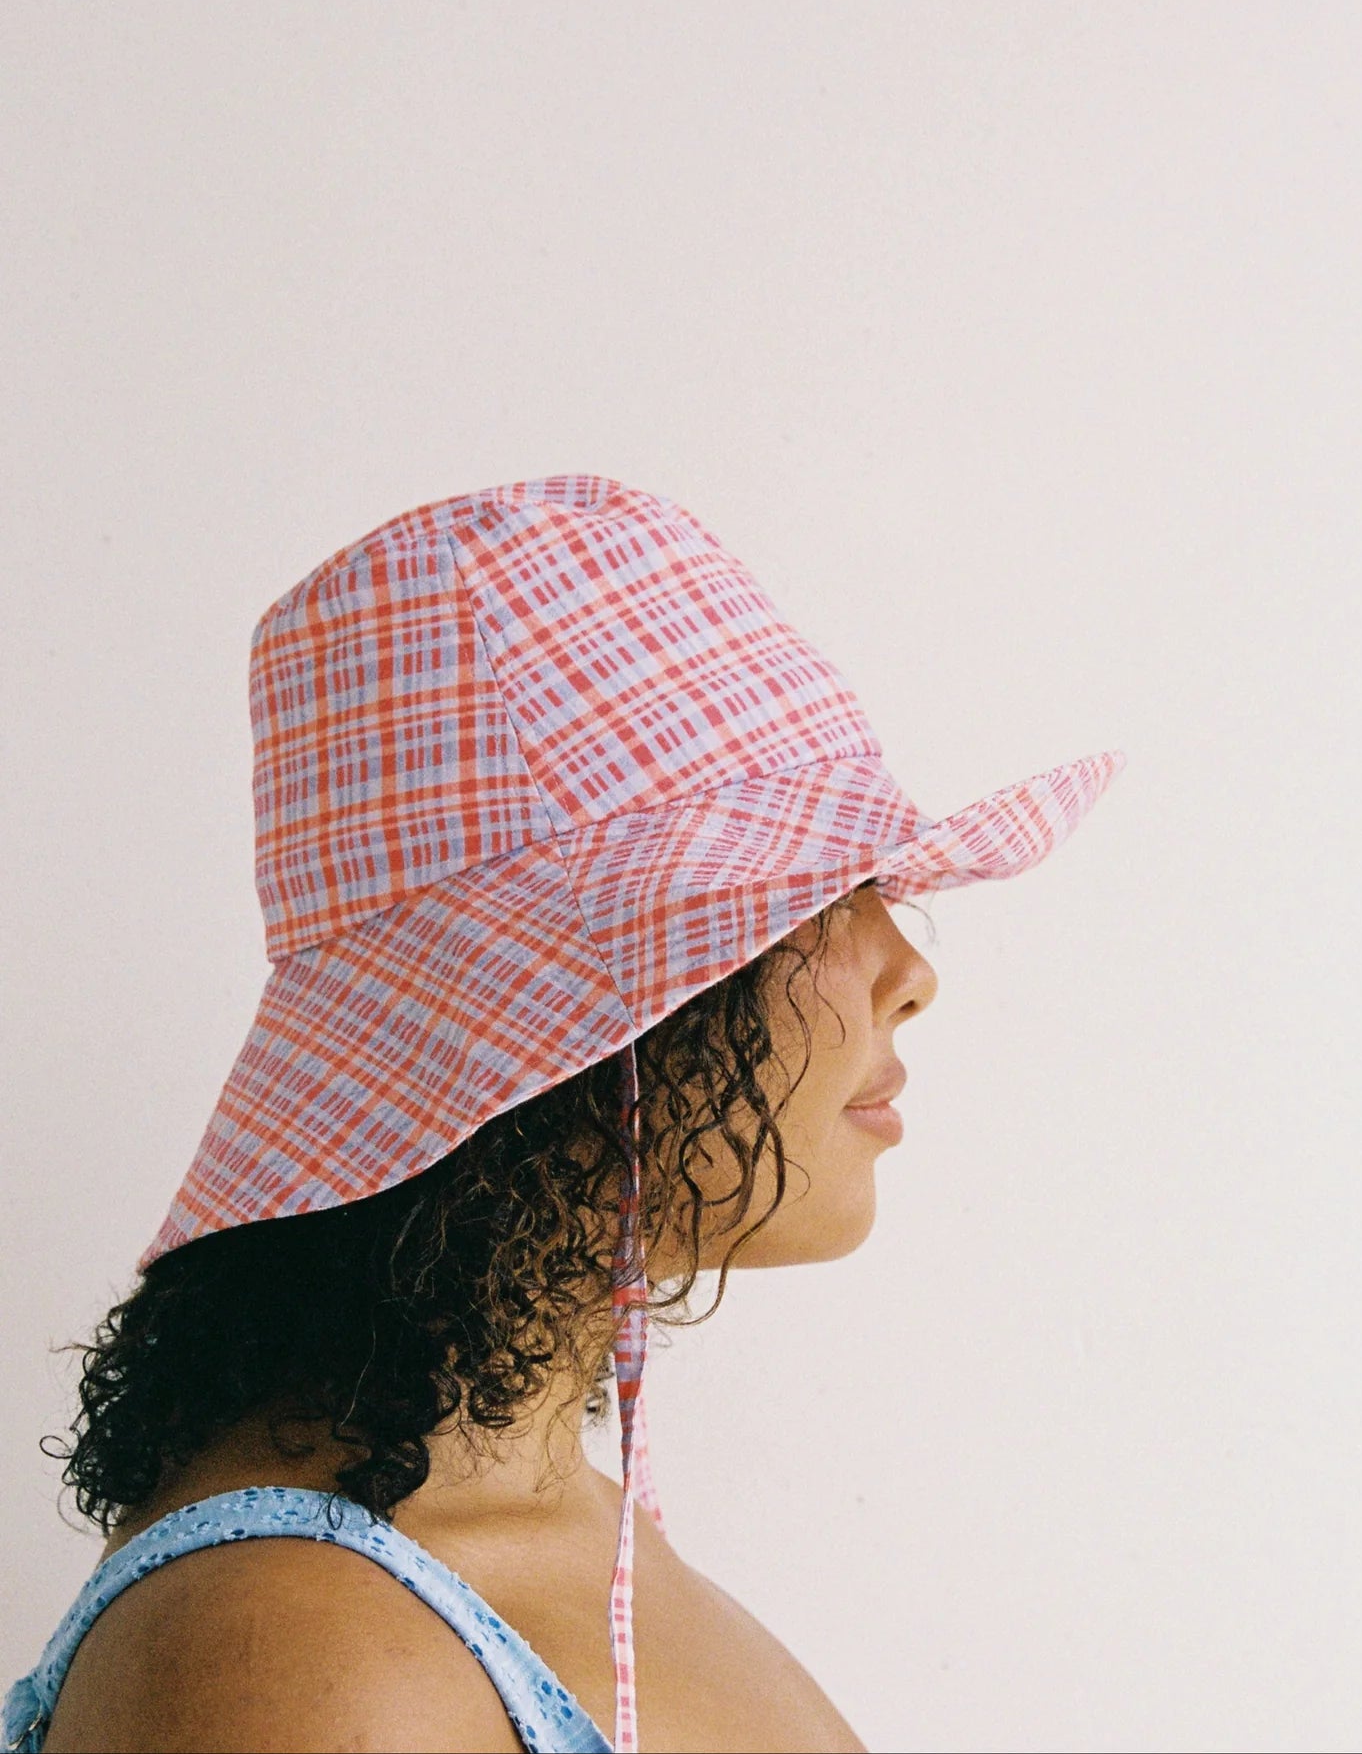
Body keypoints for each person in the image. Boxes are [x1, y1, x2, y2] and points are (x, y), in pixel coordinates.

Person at [4, 473, 1124, 1752]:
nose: (908, 969)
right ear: (568, 1022)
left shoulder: (548, 1521)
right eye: (815, 896)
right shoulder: (302, 1654)